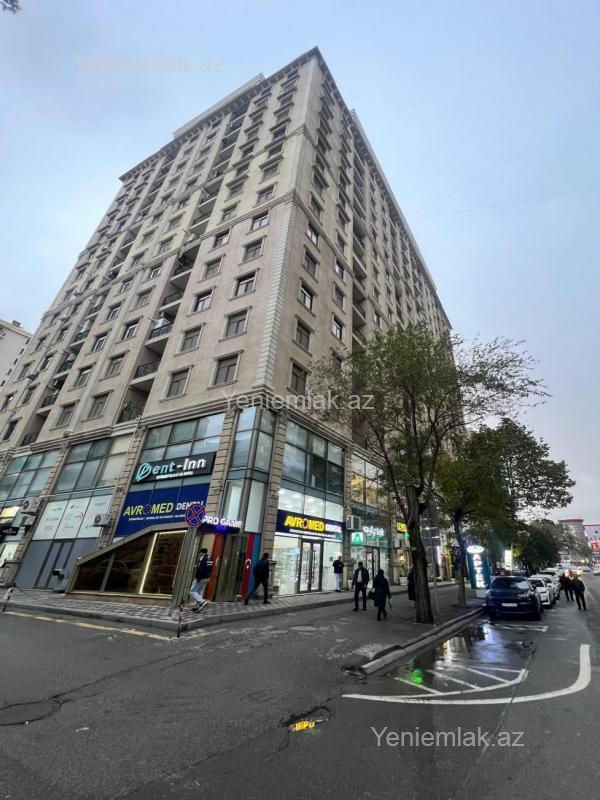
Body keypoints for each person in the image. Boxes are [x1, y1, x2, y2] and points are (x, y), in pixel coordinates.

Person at [190, 547, 212, 612]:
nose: (199, 554)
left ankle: (202, 602)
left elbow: (201, 569)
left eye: (200, 553)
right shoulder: (209, 558)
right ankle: (197, 607)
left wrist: (197, 578)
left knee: (192, 591)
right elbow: (210, 568)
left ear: (202, 553)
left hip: (201, 577)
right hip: (207, 577)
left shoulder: (203, 558)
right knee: (199, 592)